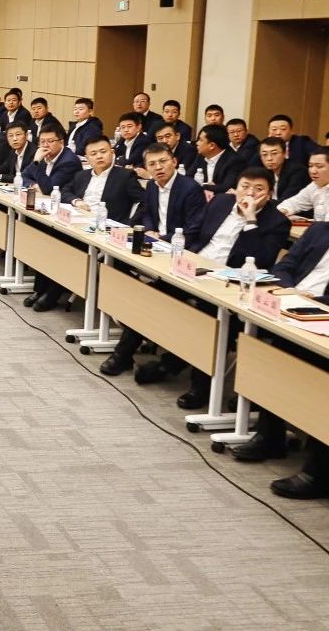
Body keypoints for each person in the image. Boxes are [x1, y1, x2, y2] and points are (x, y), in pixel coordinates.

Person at [102, 168, 288, 390]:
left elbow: (261, 260)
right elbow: (195, 231)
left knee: (209, 321)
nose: (249, 194)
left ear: (269, 194)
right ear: (236, 188)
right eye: (245, 187)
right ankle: (123, 355)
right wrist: (170, 251)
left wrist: (250, 219)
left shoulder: (277, 222)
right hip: (195, 268)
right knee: (154, 294)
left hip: (230, 284)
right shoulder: (221, 202)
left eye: (258, 189)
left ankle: (194, 385)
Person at [230, 222, 329, 497]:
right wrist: (291, 292)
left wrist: (315, 301)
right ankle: (270, 436)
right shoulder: (319, 230)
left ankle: (318, 471)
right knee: (275, 355)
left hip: (319, 316)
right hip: (295, 310)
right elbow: (284, 267)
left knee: (320, 378)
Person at [29, 137, 145, 312]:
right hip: (79, 224)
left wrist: (128, 225)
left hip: (104, 231)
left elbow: (144, 202)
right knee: (50, 238)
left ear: (112, 153)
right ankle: (39, 290)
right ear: (87, 158)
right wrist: (76, 201)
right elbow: (65, 191)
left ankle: (52, 294)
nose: (99, 156)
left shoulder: (125, 176)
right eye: (93, 153)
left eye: (103, 152)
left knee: (71, 247)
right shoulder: (82, 175)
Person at [139, 142, 207, 245]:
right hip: (154, 239)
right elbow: (147, 213)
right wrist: (149, 231)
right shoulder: (151, 185)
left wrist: (160, 239)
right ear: (146, 168)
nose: (158, 167)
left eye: (163, 161)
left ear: (174, 162)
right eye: (152, 164)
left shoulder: (191, 188)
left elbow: (192, 228)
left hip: (178, 244)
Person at [20, 125, 79, 195]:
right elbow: (23, 176)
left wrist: (37, 162)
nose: (45, 145)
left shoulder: (69, 162)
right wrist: (34, 186)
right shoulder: (43, 155)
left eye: (50, 141)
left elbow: (48, 189)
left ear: (61, 143)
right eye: (42, 141)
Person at [186, 124, 242, 193]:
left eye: (200, 140)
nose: (197, 143)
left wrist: (203, 186)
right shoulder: (202, 155)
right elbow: (188, 177)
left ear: (212, 146)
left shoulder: (235, 161)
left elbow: (226, 188)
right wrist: (209, 186)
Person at [277, 148, 329, 219]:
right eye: (310, 166)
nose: (313, 171)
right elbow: (293, 203)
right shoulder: (313, 186)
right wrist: (282, 212)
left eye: (319, 166)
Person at [259, 136, 310, 205]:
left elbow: (287, 201)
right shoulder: (265, 172)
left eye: (274, 153)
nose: (269, 158)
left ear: (285, 153)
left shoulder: (298, 171)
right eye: (264, 154)